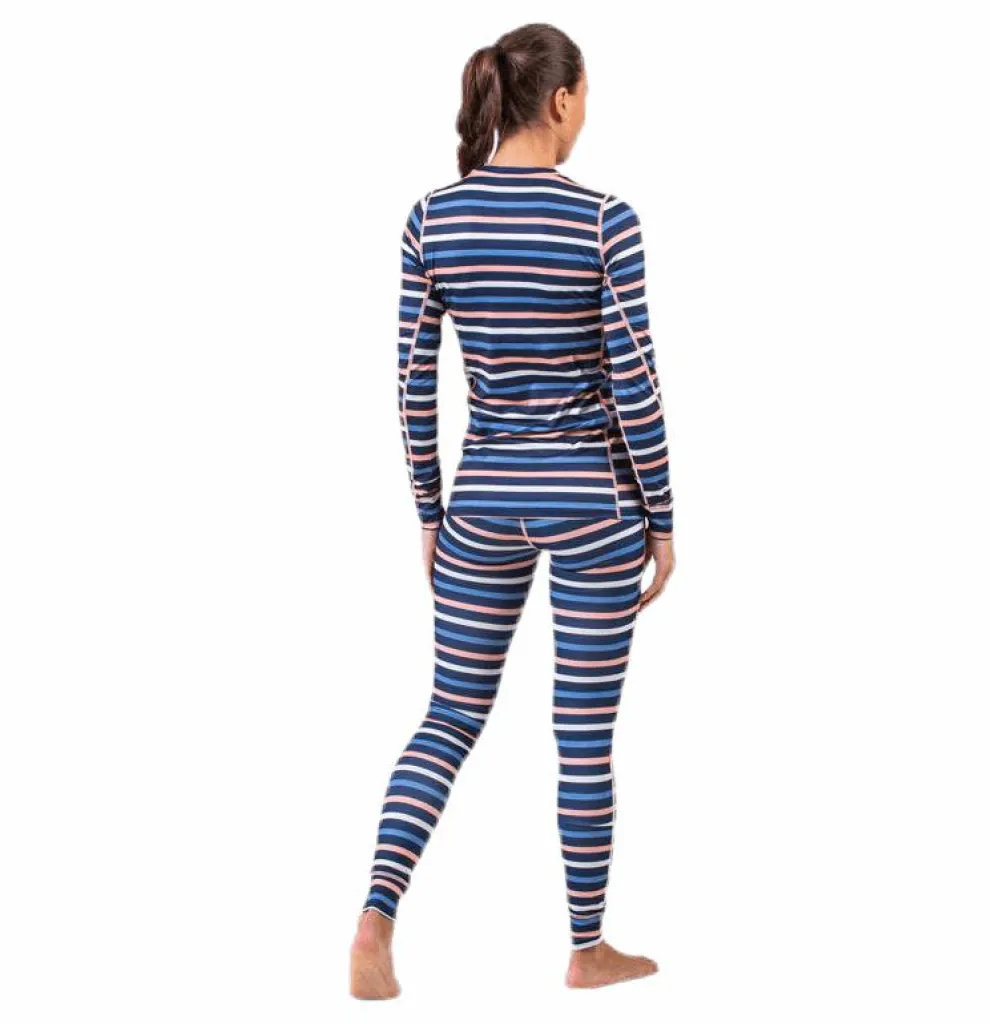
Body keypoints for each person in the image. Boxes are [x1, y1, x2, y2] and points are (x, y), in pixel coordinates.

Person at [350, 22, 677, 998]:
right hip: (590, 503)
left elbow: (412, 383)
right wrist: (662, 519)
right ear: (563, 100)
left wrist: (430, 512)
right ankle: (586, 949)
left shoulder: (431, 219)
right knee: (582, 736)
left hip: (483, 503)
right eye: (589, 99)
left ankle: (373, 922)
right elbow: (636, 385)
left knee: (449, 712)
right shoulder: (604, 221)